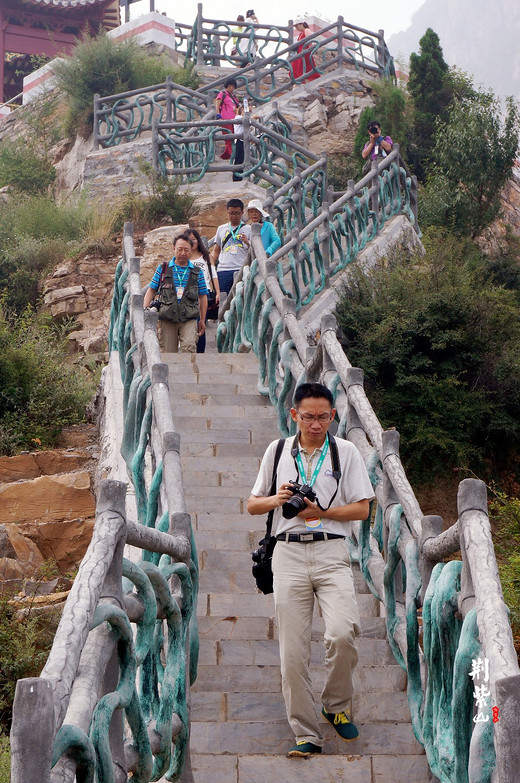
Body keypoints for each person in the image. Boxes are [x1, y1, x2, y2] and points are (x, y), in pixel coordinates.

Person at [247, 382, 374, 757]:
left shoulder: (345, 452)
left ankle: (334, 706)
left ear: (333, 415)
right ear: (294, 415)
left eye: (322, 417)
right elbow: (253, 505)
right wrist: (279, 498)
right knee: (293, 650)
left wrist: (323, 513)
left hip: (332, 550)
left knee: (342, 632)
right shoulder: (278, 450)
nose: (315, 424)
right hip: (287, 554)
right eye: (308, 417)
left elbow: (363, 509)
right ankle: (305, 733)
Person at [143, 232, 208, 353]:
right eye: (180, 249)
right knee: (168, 352)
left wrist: (202, 320)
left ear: (191, 251)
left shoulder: (197, 272)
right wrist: (144, 309)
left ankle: (187, 372)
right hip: (167, 318)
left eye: (186, 250)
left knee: (189, 348)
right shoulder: (163, 269)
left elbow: (203, 296)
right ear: (174, 249)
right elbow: (151, 290)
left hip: (189, 318)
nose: (183, 253)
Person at [186, 228, 220, 353]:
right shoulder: (185, 257)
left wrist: (217, 292)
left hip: (203, 293)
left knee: (201, 322)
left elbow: (214, 275)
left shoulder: (206, 256)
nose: (191, 242)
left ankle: (200, 352)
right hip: (187, 294)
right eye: (189, 239)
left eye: (193, 239)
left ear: (198, 240)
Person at [210, 199, 252, 298]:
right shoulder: (221, 229)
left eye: (237, 213)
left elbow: (254, 250)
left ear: (242, 213)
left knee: (241, 299)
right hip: (223, 270)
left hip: (241, 268)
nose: (233, 216)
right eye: (231, 213)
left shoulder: (248, 229)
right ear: (227, 212)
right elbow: (216, 250)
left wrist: (248, 242)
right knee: (223, 299)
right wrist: (210, 267)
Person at [214, 77, 241, 160]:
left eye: (233, 86)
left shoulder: (234, 97)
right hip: (226, 119)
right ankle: (232, 154)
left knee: (234, 137)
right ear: (227, 86)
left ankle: (230, 154)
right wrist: (218, 115)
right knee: (228, 138)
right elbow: (217, 105)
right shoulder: (222, 94)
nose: (231, 88)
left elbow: (238, 106)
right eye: (230, 86)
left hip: (234, 119)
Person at [291, 17, 320, 84]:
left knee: (304, 65)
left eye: (297, 26)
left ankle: (305, 79)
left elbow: (309, 41)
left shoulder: (306, 30)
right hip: (301, 51)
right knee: (297, 66)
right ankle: (301, 80)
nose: (296, 28)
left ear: (301, 24)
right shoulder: (301, 33)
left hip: (305, 51)